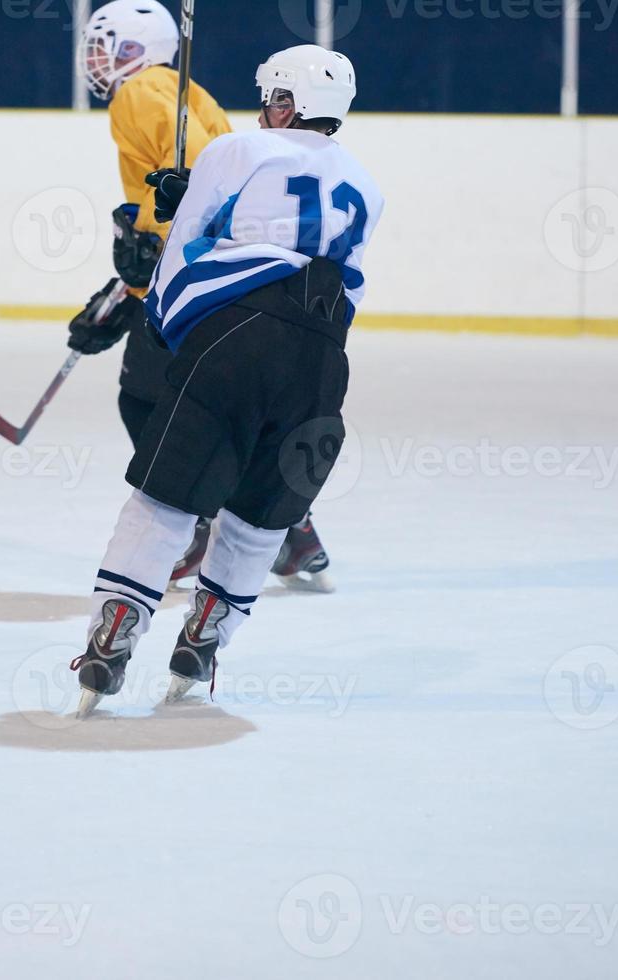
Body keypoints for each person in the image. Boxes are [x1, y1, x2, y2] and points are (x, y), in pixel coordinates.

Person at [71, 44, 384, 717]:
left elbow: (180, 256)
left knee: (164, 497)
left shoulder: (234, 152)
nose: (264, 107)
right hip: (324, 362)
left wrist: (163, 321)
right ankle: (206, 632)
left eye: (273, 96)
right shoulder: (367, 184)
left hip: (236, 340)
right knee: (260, 513)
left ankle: (115, 626)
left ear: (290, 102)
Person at [65, 0, 232, 584]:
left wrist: (148, 264)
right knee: (201, 400)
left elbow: (184, 175)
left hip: (186, 272)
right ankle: (291, 530)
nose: (95, 58)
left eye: (105, 45)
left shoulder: (136, 95)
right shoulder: (189, 93)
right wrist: (131, 280)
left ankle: (210, 521)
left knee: (144, 398)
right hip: (212, 267)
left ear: (136, 49)